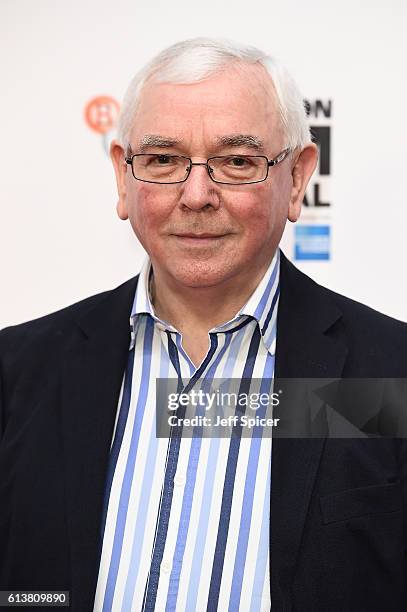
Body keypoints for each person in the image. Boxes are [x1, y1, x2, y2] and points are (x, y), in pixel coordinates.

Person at [0, 37, 406, 612]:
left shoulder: (389, 375)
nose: (195, 195)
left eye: (237, 162)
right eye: (163, 160)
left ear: (297, 179)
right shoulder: (20, 373)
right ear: (123, 175)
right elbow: (25, 594)